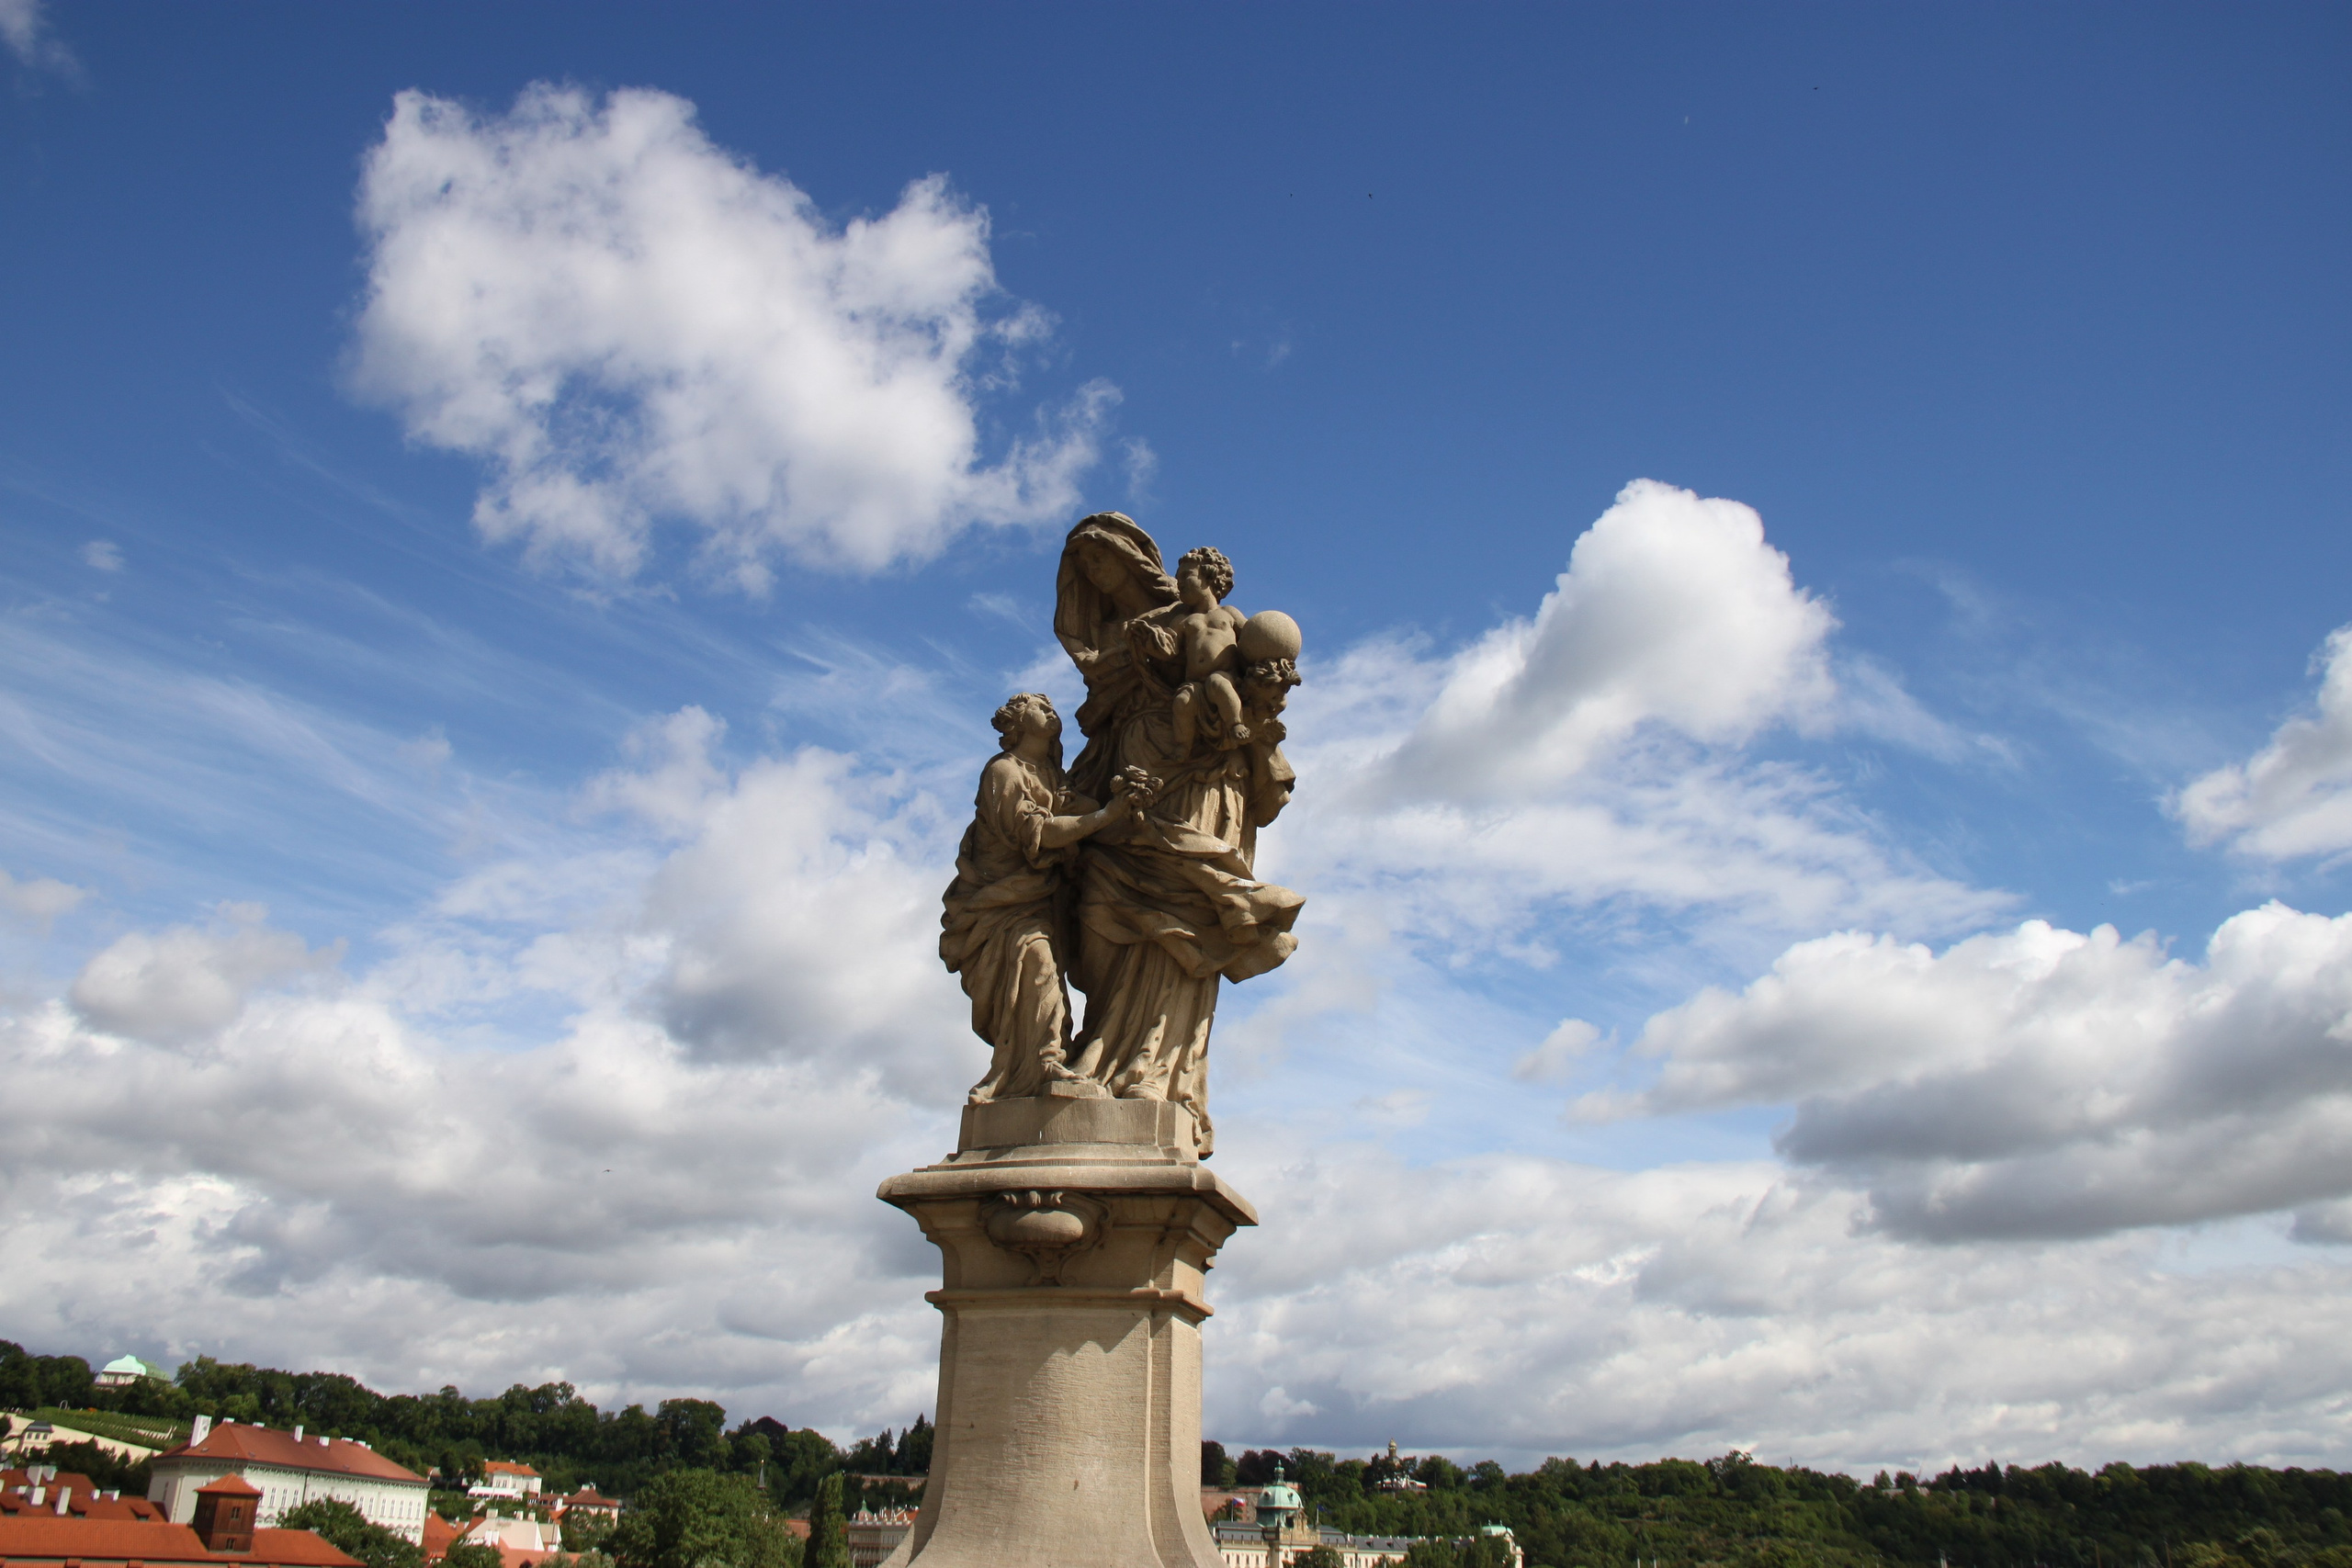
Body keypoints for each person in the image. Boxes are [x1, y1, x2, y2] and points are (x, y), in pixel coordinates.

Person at [941, 693, 1142, 1104]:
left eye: (1051, 706)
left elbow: (1078, 809)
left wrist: (1120, 798)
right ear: (1017, 722)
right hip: (1000, 903)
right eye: (1038, 706)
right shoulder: (1003, 772)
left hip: (1044, 897)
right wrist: (1106, 815)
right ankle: (1041, 1063)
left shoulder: (1052, 775)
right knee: (1037, 966)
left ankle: (1046, 1059)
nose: (1050, 710)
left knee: (1048, 980)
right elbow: (1040, 833)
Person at [1169, 546, 1251, 753]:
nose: (1179, 583)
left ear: (1209, 576)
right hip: (1194, 682)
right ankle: (1182, 746)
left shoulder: (1228, 613)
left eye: (1186, 576)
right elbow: (1169, 647)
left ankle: (1235, 724)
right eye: (1177, 579)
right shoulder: (1182, 620)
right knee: (1182, 701)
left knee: (1218, 684)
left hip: (1225, 675)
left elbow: (1251, 637)